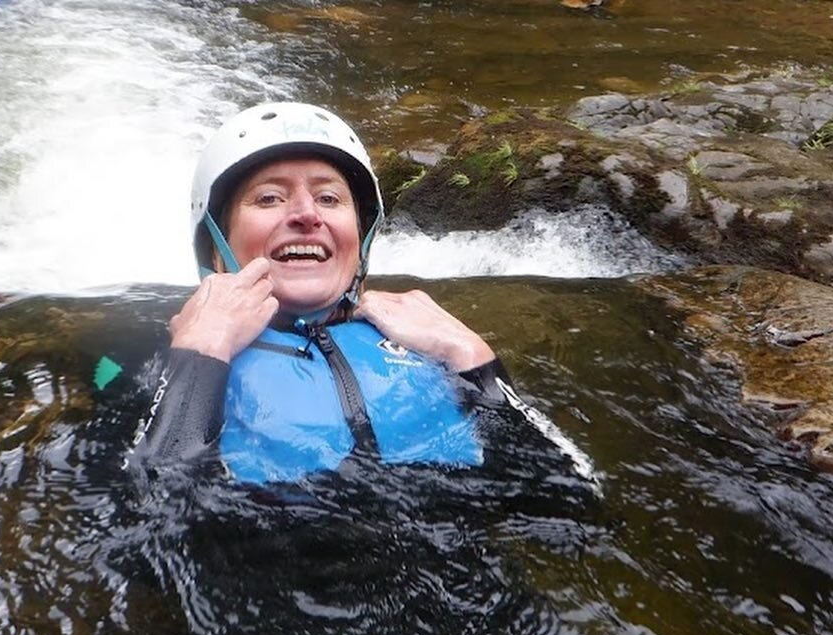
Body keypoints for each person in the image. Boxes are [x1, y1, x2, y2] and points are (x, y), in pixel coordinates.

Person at [131, 102, 594, 488]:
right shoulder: (152, 362)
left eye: (330, 199)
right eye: (270, 198)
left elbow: (571, 496)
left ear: (361, 238)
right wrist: (200, 354)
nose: (307, 214)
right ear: (216, 249)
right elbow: (148, 516)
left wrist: (472, 355)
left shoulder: (426, 344)